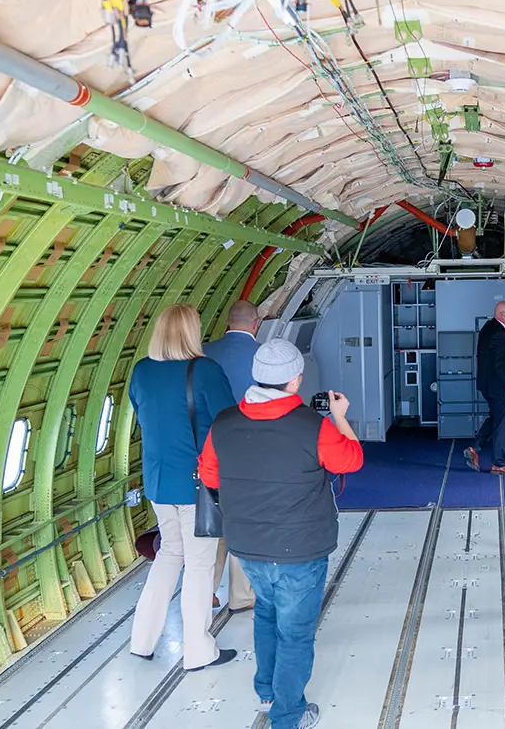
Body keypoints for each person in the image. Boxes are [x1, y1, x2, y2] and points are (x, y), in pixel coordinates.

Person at [199, 339, 364, 729]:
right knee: (295, 633)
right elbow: (351, 460)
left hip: (248, 545)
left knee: (266, 613)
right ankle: (288, 715)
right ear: (296, 380)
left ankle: (267, 689)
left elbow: (209, 476)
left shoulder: (224, 423)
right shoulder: (312, 425)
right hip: (300, 549)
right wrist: (340, 417)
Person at [126, 304, 238, 671]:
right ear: (191, 332)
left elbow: (143, 415)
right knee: (200, 566)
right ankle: (199, 650)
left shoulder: (141, 371)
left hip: (159, 483)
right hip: (198, 484)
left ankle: (142, 640)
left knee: (169, 555)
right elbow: (229, 422)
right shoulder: (204, 371)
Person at [202, 299, 261, 612]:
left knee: (214, 525)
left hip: (209, 452)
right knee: (244, 523)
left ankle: (206, 590)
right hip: (249, 454)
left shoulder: (203, 353)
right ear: (256, 324)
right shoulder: (263, 356)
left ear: (227, 322)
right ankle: (242, 596)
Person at [464, 300, 505, 474]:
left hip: (488, 384)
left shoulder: (490, 328)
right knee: (503, 423)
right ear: (503, 315)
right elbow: (499, 364)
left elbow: (493, 350)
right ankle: (499, 463)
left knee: (496, 417)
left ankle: (475, 448)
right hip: (498, 386)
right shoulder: (498, 333)